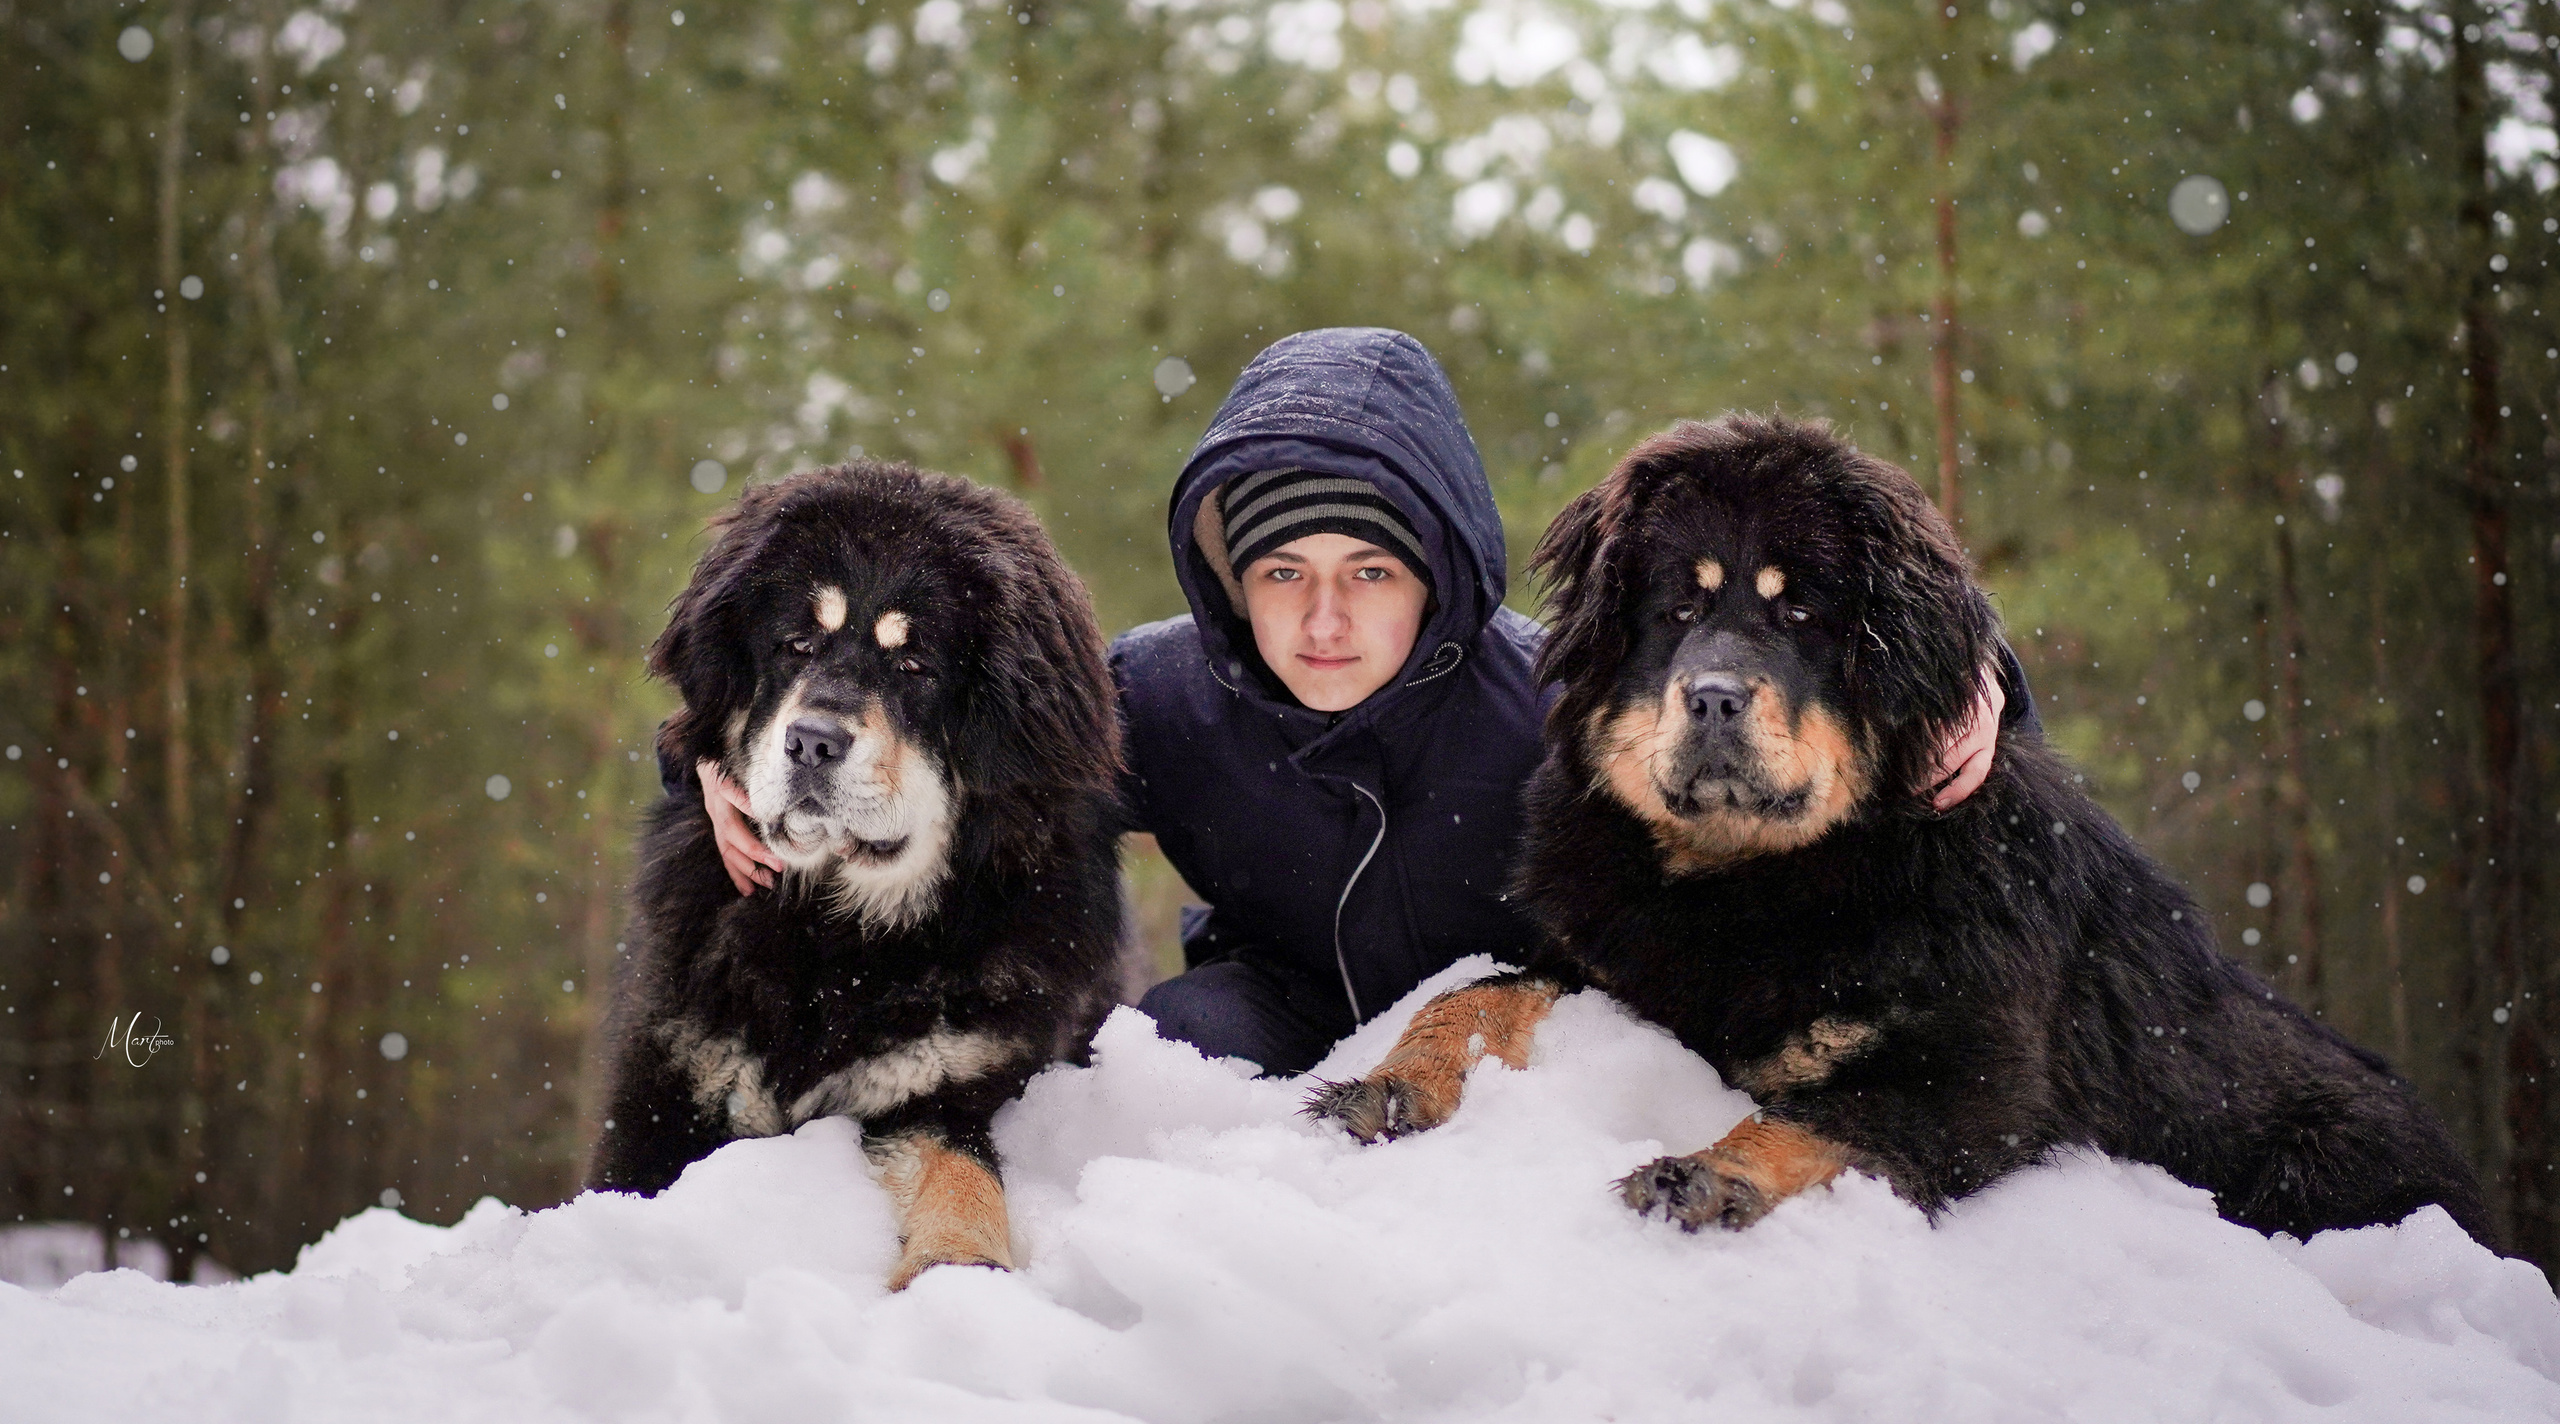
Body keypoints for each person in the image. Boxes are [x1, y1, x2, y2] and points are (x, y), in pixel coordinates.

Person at [687, 328, 2029, 1075]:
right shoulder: (1160, 694)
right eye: (1284, 572)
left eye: (1369, 572)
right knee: (1157, 1057)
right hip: (1268, 1008)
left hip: (1515, 1034)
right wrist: (702, 757)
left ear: (1436, 572)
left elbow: (1791, 690)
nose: (1323, 620)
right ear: (1235, 579)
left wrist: (1988, 687)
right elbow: (944, 728)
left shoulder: (1544, 702)